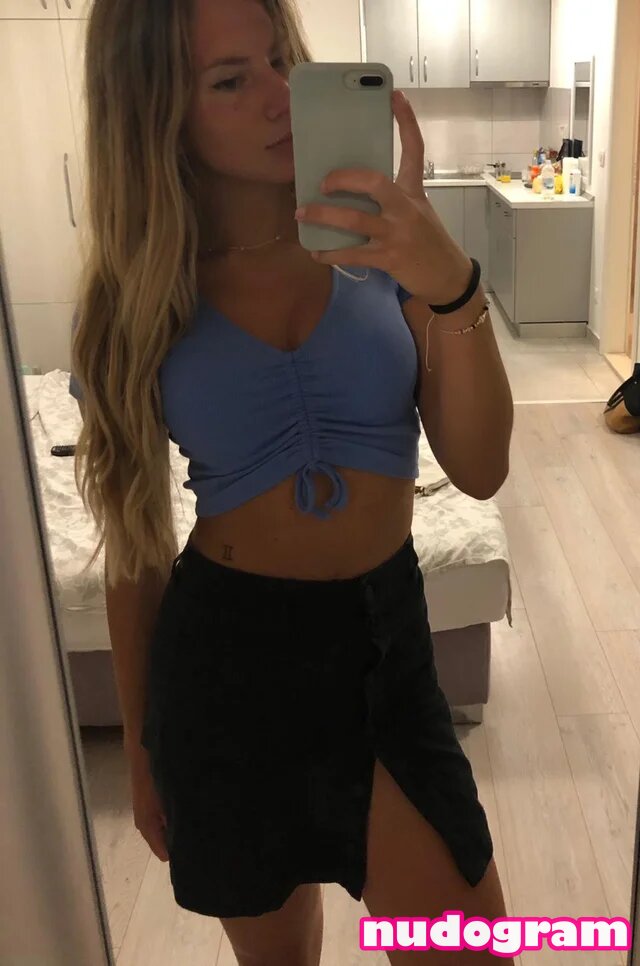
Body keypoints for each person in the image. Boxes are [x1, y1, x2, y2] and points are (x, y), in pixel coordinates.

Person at [69, 0, 515, 963]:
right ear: (156, 110)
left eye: (279, 60)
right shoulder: (135, 295)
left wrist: (451, 283)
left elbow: (481, 470)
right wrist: (142, 752)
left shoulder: (383, 241)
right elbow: (135, 546)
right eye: (232, 80)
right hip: (226, 666)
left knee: (472, 950)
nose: (280, 97)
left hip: (383, 645)